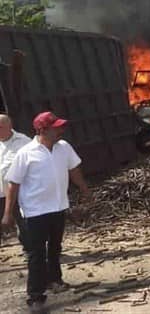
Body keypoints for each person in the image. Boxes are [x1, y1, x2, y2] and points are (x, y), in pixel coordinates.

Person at [2, 111, 92, 311]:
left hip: (58, 207)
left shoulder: (64, 148)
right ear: (43, 130)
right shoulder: (26, 153)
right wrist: (8, 213)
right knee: (36, 254)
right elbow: (13, 184)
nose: (61, 130)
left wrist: (84, 189)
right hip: (35, 212)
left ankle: (55, 280)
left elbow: (74, 169)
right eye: (56, 127)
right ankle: (35, 296)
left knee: (55, 248)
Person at [0, 114, 31, 252]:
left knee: (22, 221)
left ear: (10, 126)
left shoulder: (24, 142)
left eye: (0, 127)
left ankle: (31, 250)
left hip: (16, 191)